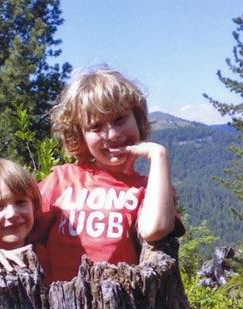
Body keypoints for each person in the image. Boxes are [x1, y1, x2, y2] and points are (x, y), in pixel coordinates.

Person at [33, 67, 183, 283]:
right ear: (80, 135)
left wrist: (159, 156)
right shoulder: (62, 180)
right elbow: (21, 228)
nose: (112, 134)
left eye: (120, 119)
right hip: (61, 305)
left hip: (116, 304)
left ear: (137, 118)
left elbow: (155, 229)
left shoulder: (147, 190)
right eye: (96, 126)